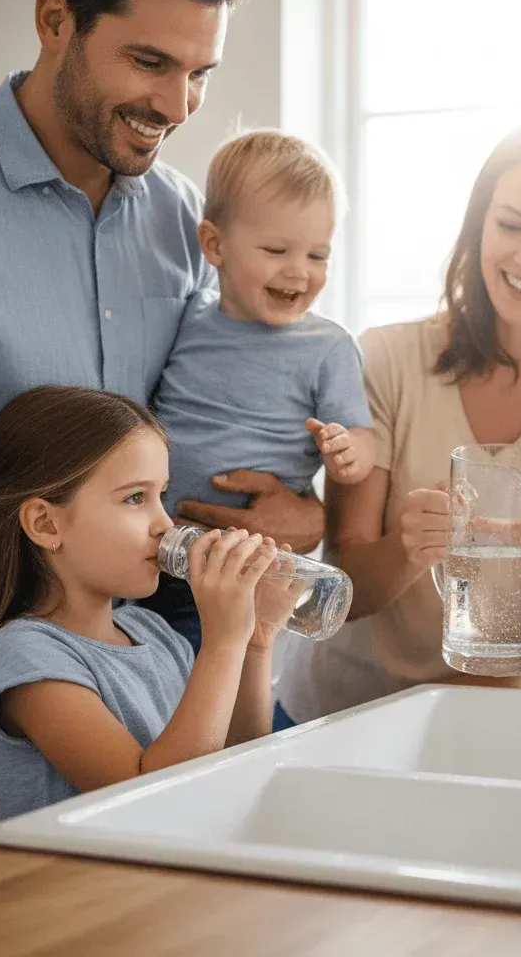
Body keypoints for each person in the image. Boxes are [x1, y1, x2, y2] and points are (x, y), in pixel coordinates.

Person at [275, 113, 521, 727]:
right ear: (479, 226)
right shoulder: (385, 359)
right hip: (349, 713)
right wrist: (409, 548)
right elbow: (345, 590)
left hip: (502, 714)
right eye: (510, 225)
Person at [0, 0, 324, 564]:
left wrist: (300, 509)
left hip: (147, 644)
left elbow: (229, 410)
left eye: (200, 74)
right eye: (150, 62)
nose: (179, 107)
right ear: (55, 20)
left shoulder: (190, 220)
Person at [0, 386, 301, 830]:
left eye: (161, 495)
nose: (165, 524)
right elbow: (153, 802)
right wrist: (222, 643)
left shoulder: (154, 632)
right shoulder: (26, 657)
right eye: (134, 498)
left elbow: (239, 769)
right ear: (46, 524)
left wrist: (254, 643)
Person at [144, 130, 375, 651]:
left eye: (319, 255)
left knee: (219, 689)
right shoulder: (188, 319)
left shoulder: (327, 346)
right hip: (156, 552)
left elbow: (362, 436)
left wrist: (348, 454)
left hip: (245, 566)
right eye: (276, 250)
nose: (299, 271)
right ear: (214, 245)